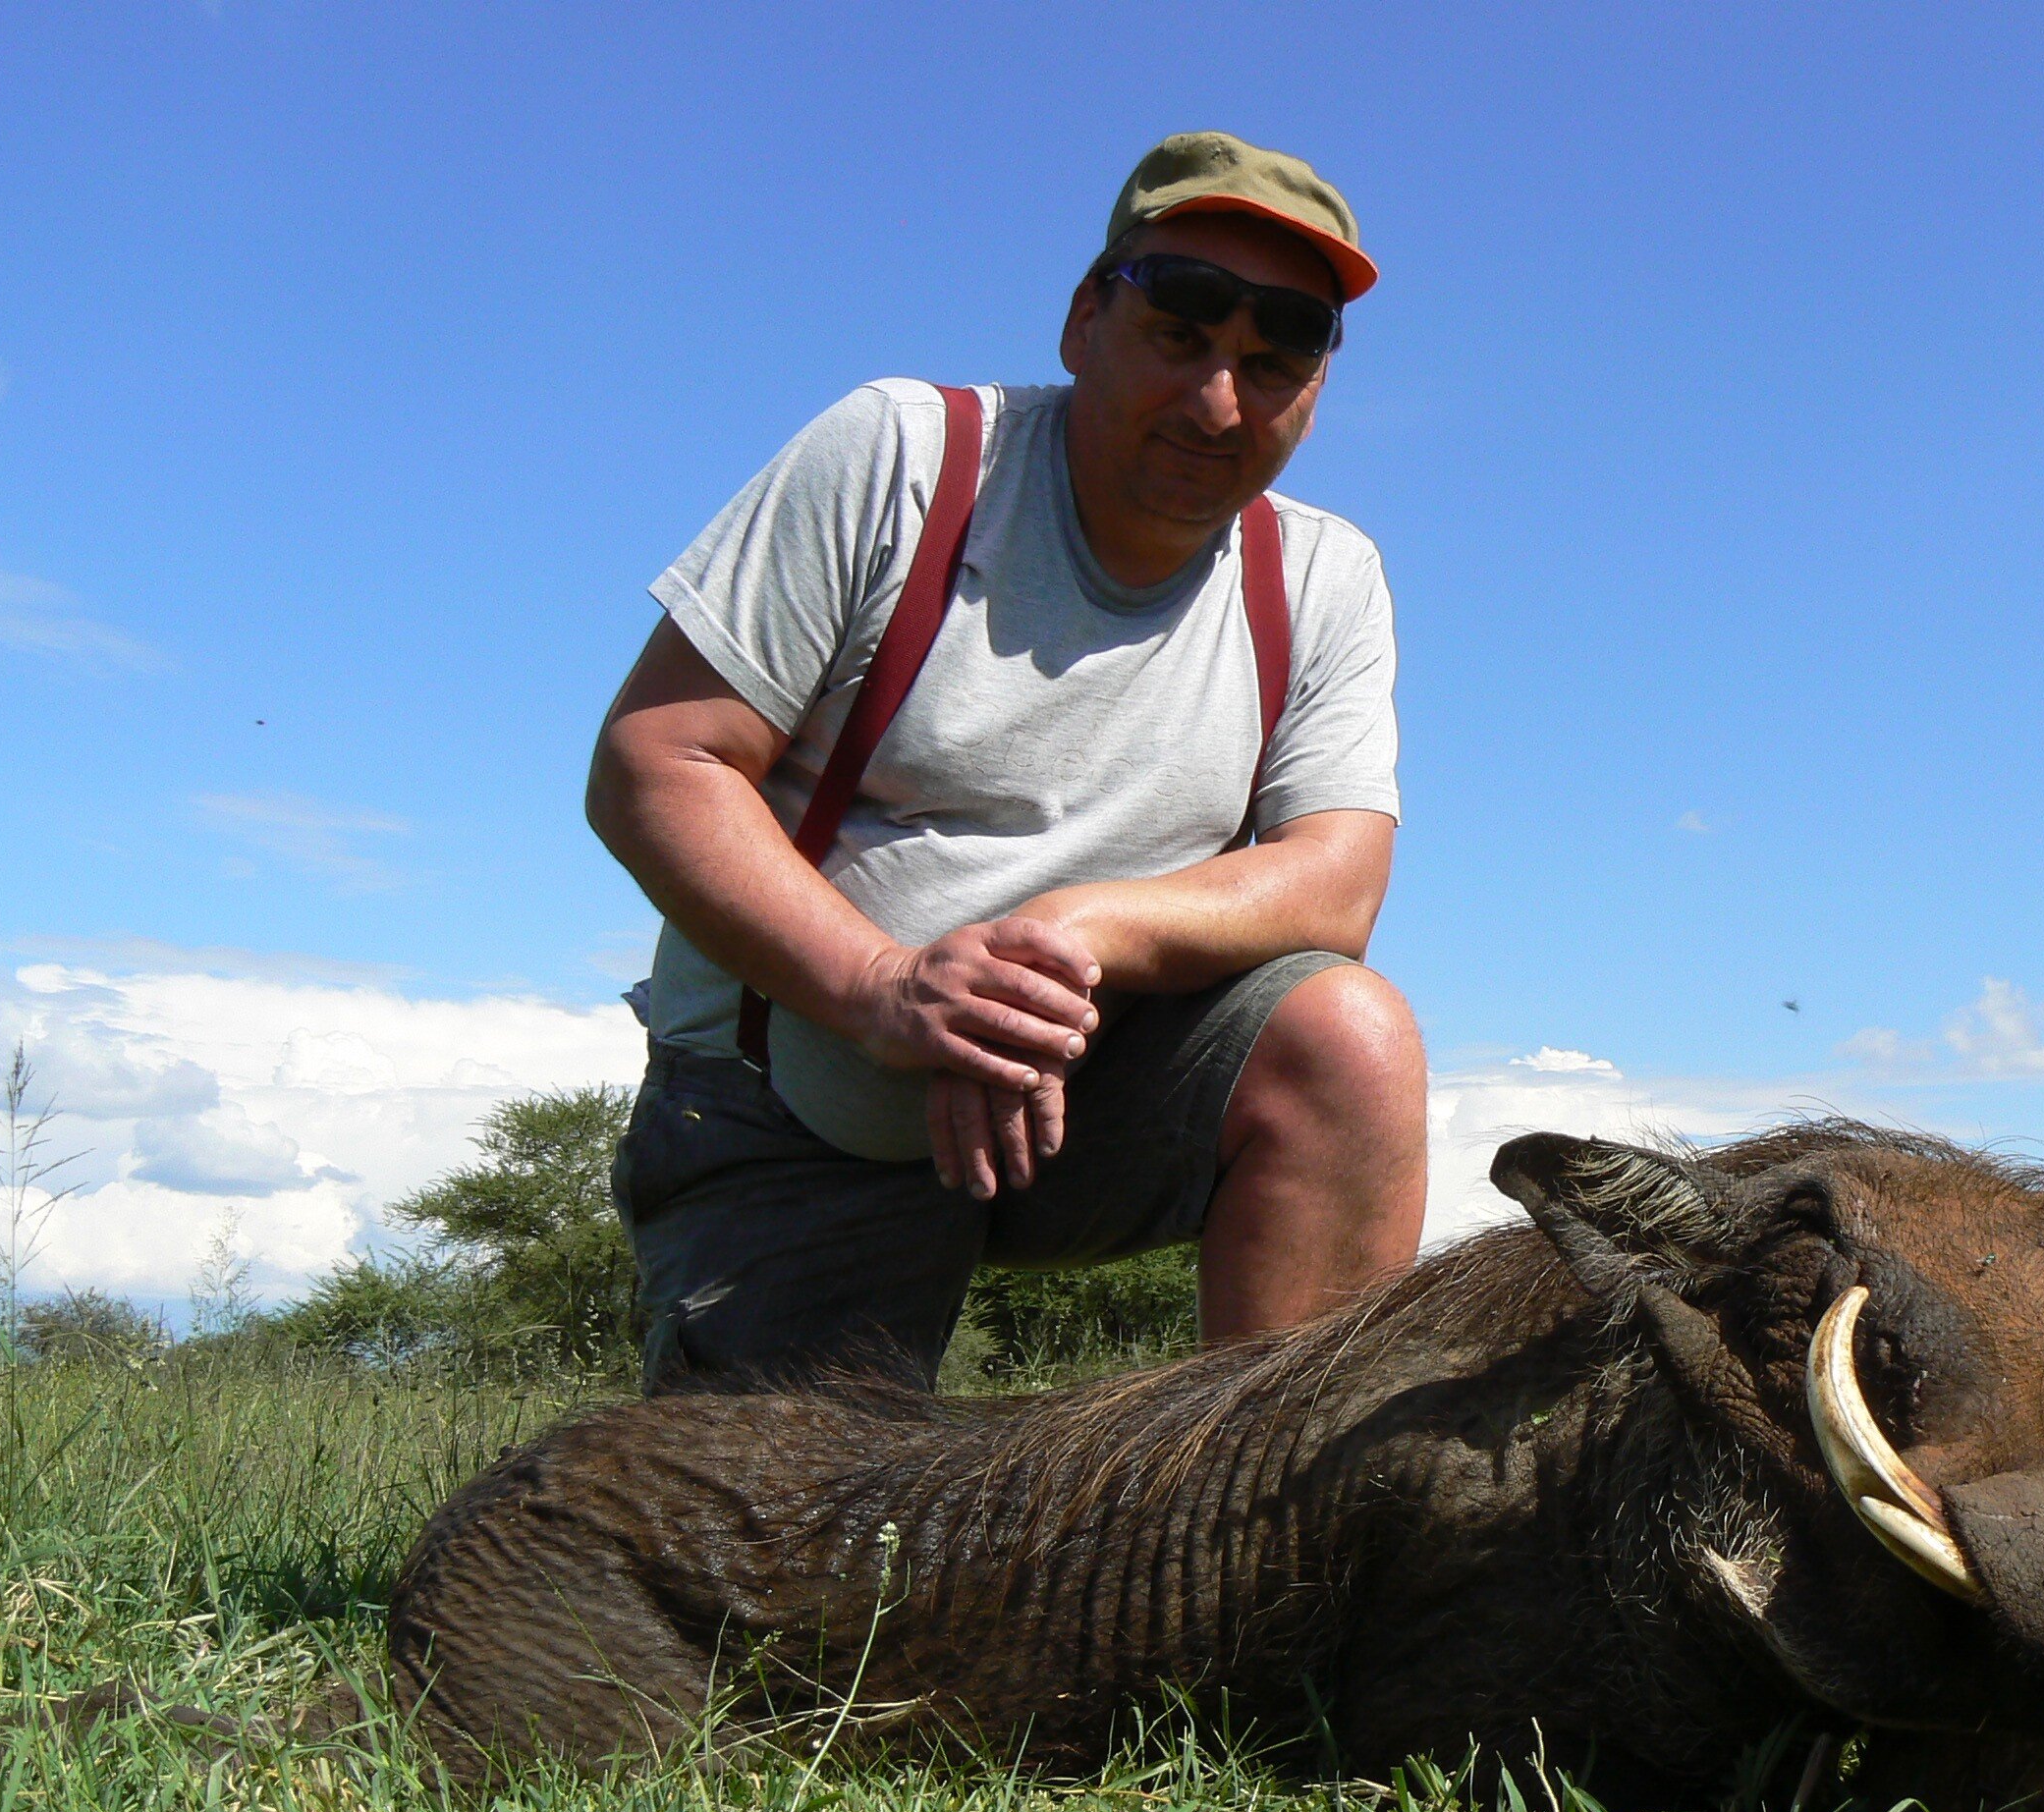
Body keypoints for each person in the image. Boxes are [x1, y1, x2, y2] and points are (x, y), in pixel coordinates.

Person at [585, 133, 1425, 1388]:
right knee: (768, 1576)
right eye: (1178, 332)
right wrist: (883, 989)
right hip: (804, 1105)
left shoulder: (1322, 573)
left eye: (1274, 358)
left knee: (1346, 1038)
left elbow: (1336, 881)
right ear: (1084, 318)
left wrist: (1066, 931)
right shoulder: (902, 458)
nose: (1217, 402)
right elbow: (657, 761)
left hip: (1088, 1103)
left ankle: (1282, 1543)